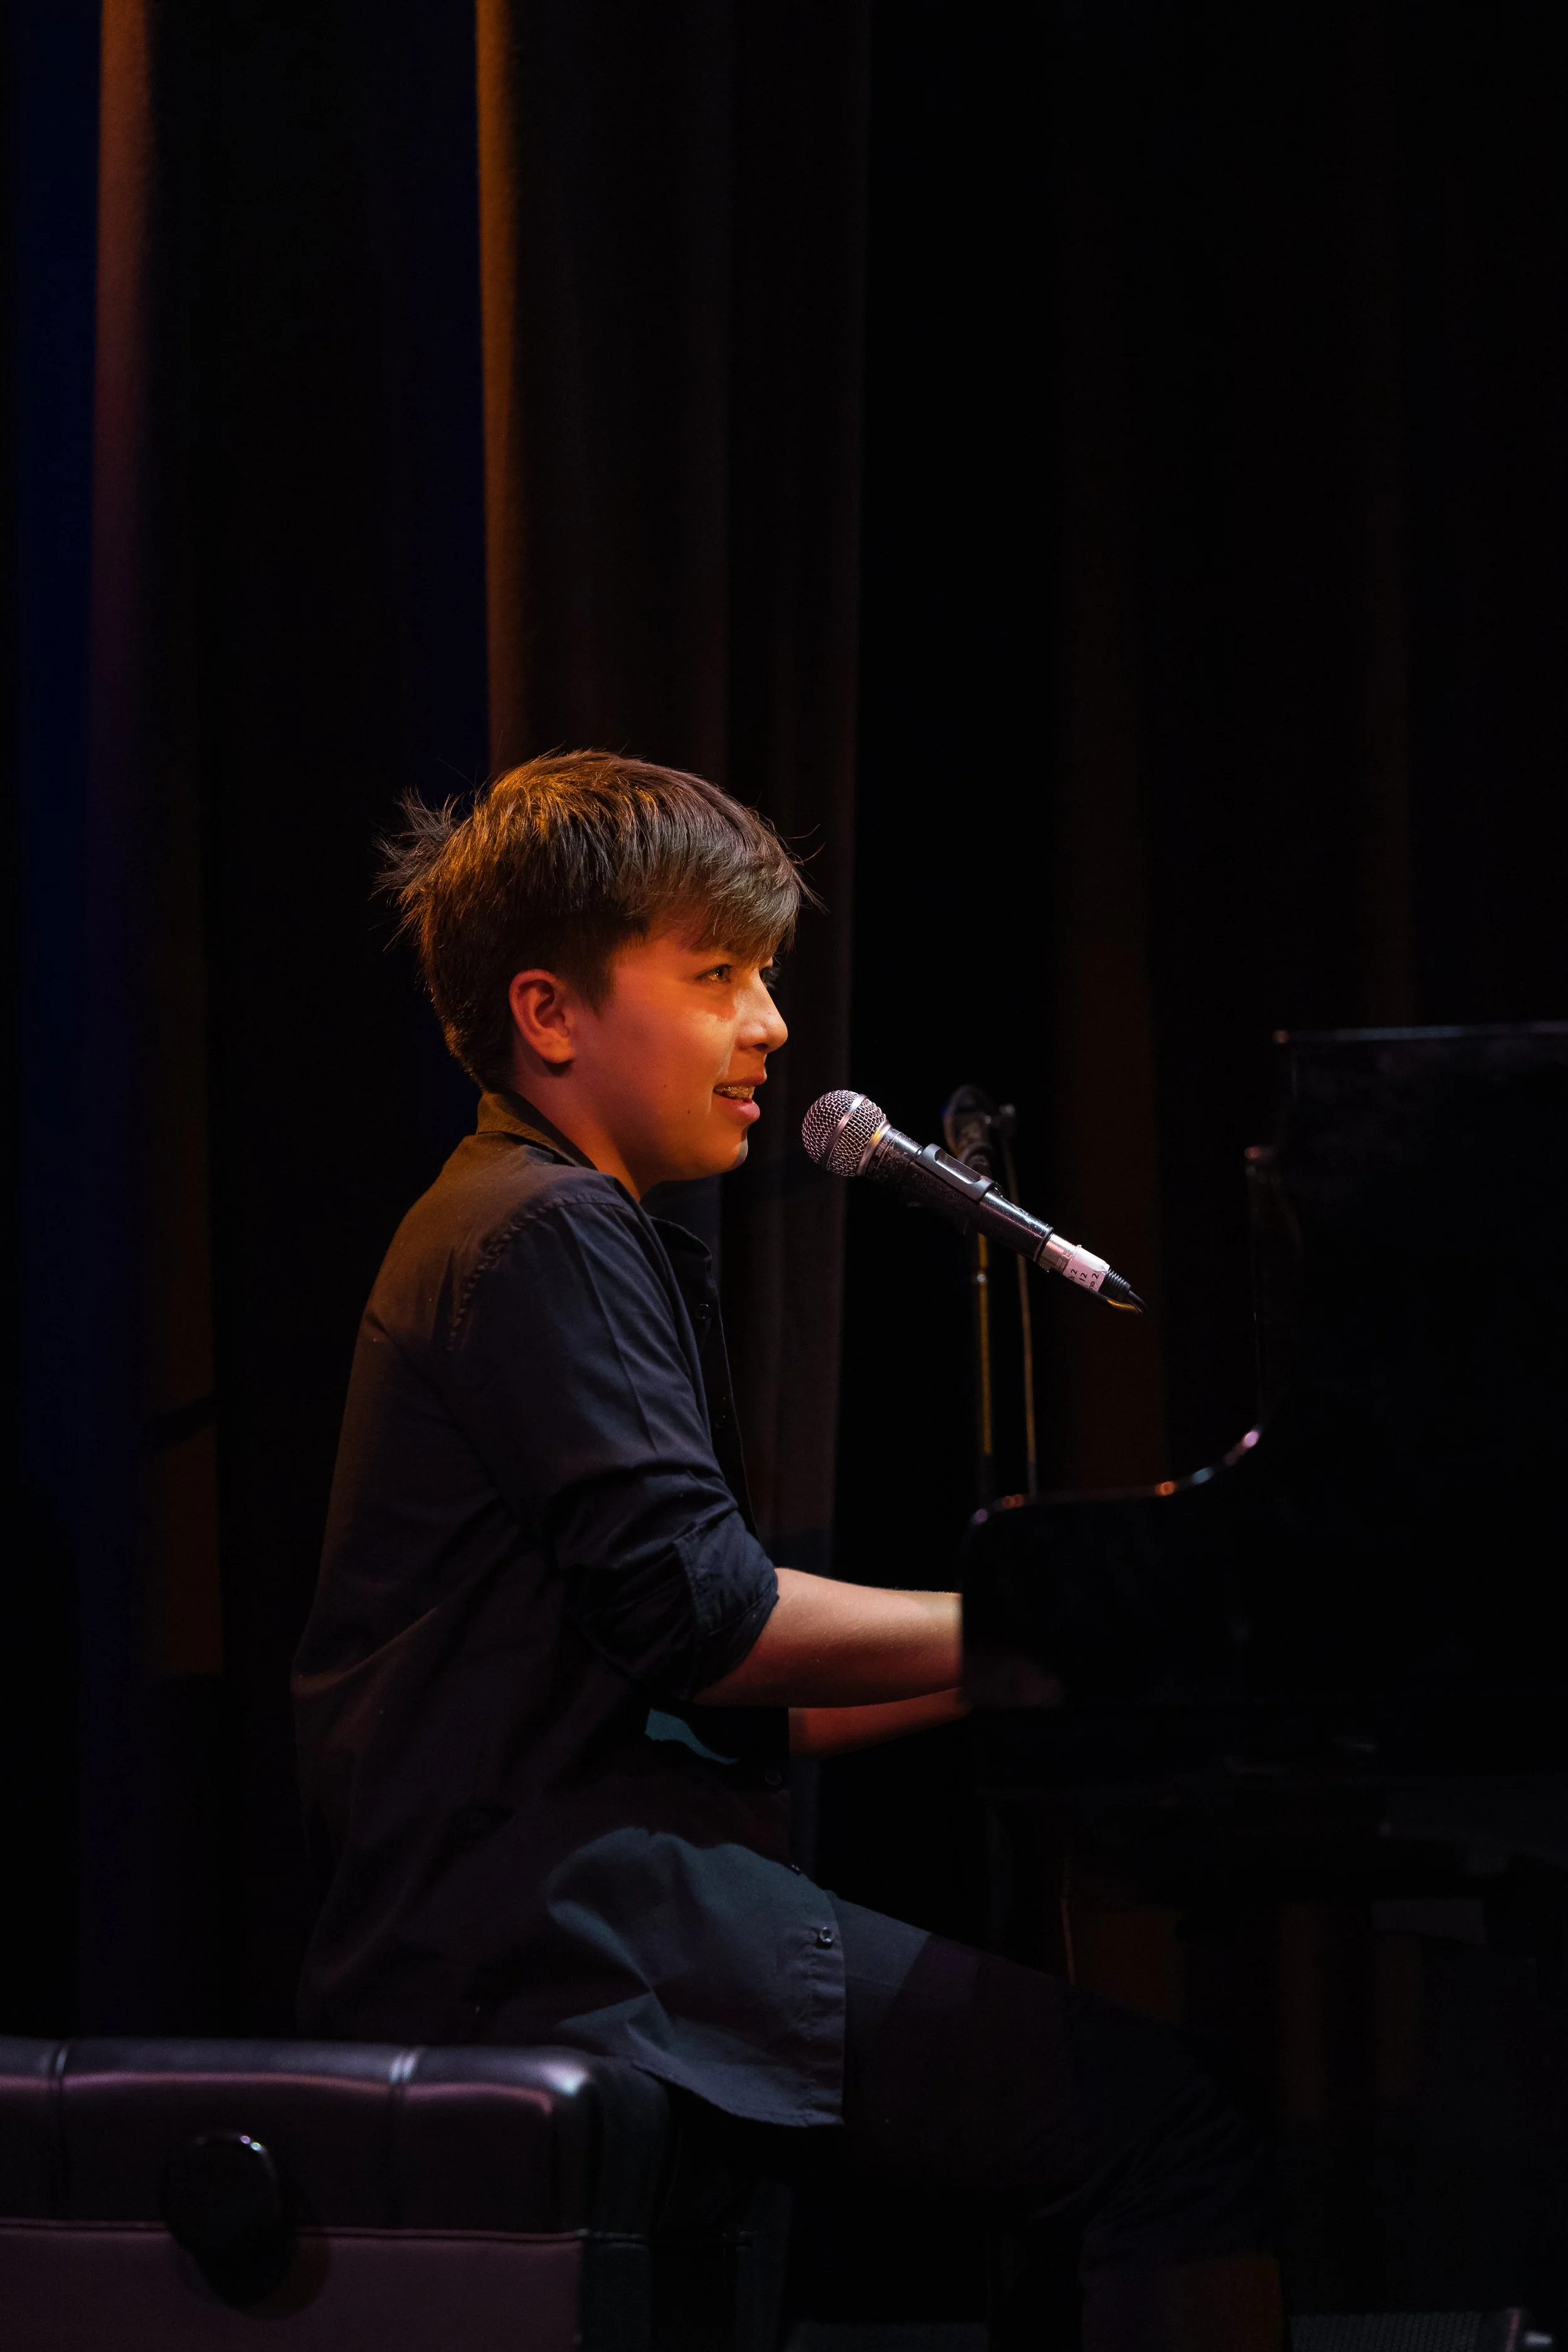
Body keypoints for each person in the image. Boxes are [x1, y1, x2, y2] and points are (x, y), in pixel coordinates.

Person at [293, 750, 1285, 2351]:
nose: (766, 1026)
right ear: (550, 1014)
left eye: (762, 975)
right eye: (716, 975)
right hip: (571, 1935)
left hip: (583, 1914)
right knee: (1172, 2125)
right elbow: (717, 1619)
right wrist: (1060, 1606)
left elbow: (725, 1684)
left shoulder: (545, 1219)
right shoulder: (538, 1229)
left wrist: (1053, 1652)